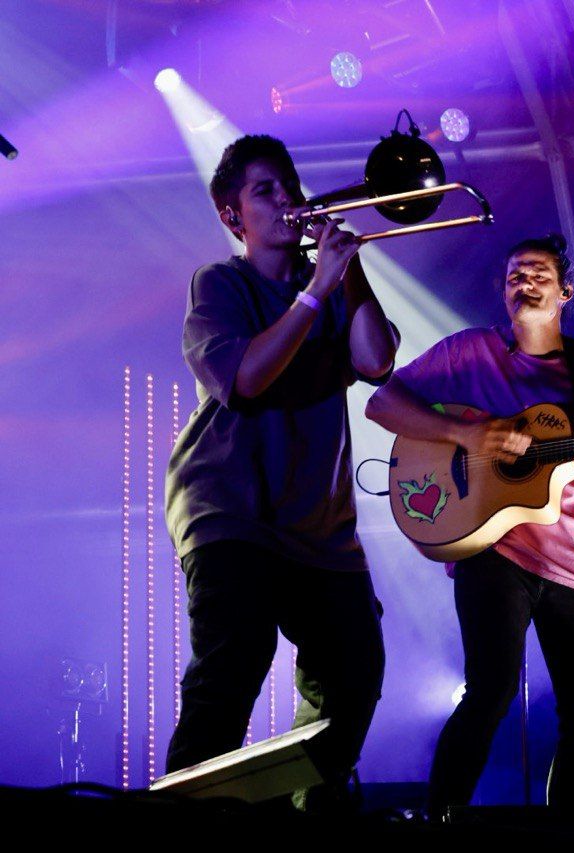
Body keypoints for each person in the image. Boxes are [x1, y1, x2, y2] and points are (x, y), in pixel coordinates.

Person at [364, 233, 574, 815]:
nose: (526, 281)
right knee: (489, 693)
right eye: (516, 273)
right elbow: (381, 403)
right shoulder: (469, 353)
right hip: (497, 550)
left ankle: (570, 833)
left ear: (565, 291)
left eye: (540, 273)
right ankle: (440, 818)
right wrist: (469, 435)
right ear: (502, 289)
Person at [164, 135, 398, 808]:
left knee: (354, 674)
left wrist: (346, 271)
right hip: (228, 506)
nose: (286, 201)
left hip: (318, 522)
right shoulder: (220, 283)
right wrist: (316, 290)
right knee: (232, 668)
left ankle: (294, 807)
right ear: (230, 215)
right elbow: (246, 378)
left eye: (288, 186)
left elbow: (377, 360)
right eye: (263, 190)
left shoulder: (324, 284)